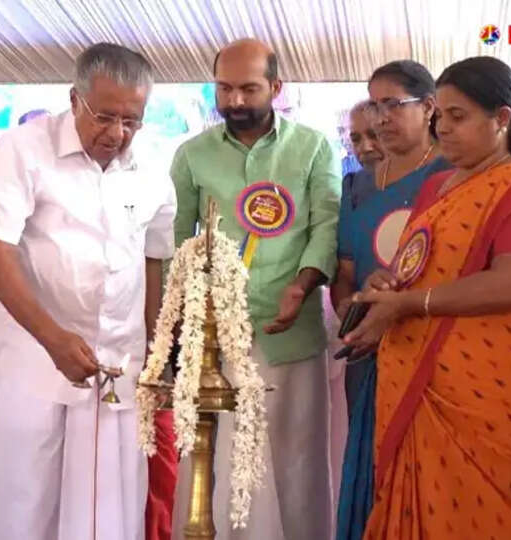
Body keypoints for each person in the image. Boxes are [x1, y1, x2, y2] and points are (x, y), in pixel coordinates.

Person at [343, 56, 511, 539]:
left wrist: (410, 304)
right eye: (441, 118)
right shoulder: (438, 186)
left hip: (489, 389)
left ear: (501, 119)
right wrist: (386, 285)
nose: (445, 130)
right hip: (418, 376)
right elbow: (418, 266)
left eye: (459, 118)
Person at [0, 43, 175, 540]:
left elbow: (152, 258)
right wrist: (53, 339)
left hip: (118, 371)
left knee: (110, 510)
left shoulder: (150, 169)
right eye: (105, 117)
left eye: (132, 120)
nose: (117, 133)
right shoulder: (23, 149)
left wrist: (153, 348)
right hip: (35, 366)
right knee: (29, 508)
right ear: (74, 99)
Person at [171, 38, 341, 539]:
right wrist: (187, 309)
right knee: (218, 463)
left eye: (248, 88)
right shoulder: (192, 155)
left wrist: (303, 284)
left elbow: (326, 225)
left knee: (295, 464)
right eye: (224, 88)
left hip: (289, 333)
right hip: (215, 341)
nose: (236, 101)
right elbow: (180, 238)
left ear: (276, 87)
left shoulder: (311, 147)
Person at [330, 62, 451, 540]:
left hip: (428, 344)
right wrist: (347, 310)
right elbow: (343, 271)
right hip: (365, 348)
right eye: (374, 105)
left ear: (428, 107)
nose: (381, 117)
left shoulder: (452, 174)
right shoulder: (356, 185)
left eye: (392, 105)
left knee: (427, 473)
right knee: (373, 468)